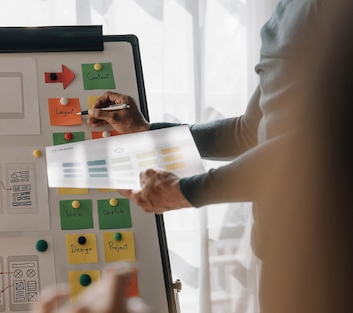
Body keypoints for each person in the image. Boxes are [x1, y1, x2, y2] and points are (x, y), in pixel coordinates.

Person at [83, 0, 340, 312]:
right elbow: (248, 132)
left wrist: (186, 191)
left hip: (329, 261)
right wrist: (147, 131)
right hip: (281, 256)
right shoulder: (289, 9)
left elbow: (318, 147)